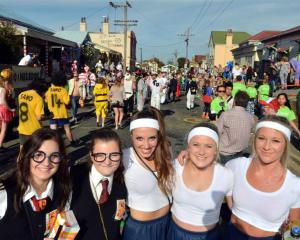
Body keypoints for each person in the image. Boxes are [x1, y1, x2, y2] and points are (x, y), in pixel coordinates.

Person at [226, 115, 300, 240]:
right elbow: (207, 175)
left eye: (275, 141)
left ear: (286, 145)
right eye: (261, 138)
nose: (266, 147)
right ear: (254, 140)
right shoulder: (236, 165)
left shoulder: (295, 185)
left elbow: (294, 228)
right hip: (231, 234)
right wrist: (188, 157)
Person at [0, 128, 71, 239]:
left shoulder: (64, 191)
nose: (46, 162)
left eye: (54, 156)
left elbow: (65, 234)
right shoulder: (4, 193)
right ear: (27, 156)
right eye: (38, 155)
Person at [167, 122, 233, 240]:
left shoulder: (226, 175)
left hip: (208, 236)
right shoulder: (176, 166)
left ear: (216, 150)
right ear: (188, 146)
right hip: (174, 233)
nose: (201, 151)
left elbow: (237, 209)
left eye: (209, 146)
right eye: (196, 144)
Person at [122, 107, 174, 240]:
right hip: (140, 231)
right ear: (131, 136)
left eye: (152, 138)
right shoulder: (124, 158)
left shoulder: (166, 153)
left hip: (168, 224)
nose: (146, 145)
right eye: (139, 138)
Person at [70, 128, 127, 240]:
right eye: (100, 155)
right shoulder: (72, 176)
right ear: (91, 155)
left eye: (114, 155)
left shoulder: (124, 177)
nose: (107, 162)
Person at [217, 91, 255, 163]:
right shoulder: (250, 117)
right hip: (240, 151)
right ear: (246, 103)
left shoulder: (225, 114)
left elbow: (217, 132)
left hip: (225, 152)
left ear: (234, 101)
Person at [45, 71, 78, 146]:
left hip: (52, 114)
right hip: (62, 113)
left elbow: (46, 101)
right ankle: (72, 142)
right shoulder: (63, 90)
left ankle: (54, 144)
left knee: (53, 131)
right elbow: (67, 102)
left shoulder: (48, 91)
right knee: (67, 128)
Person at [17, 79, 48, 147]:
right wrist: (49, 116)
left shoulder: (21, 95)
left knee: (22, 150)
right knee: (34, 150)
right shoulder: (38, 98)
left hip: (22, 128)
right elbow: (39, 117)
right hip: (34, 130)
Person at [0, 77, 15, 151]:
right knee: (3, 129)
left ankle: (1, 144)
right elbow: (3, 101)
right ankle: (0, 146)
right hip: (3, 110)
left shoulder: (2, 89)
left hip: (0, 109)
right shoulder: (3, 89)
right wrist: (10, 109)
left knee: (1, 129)